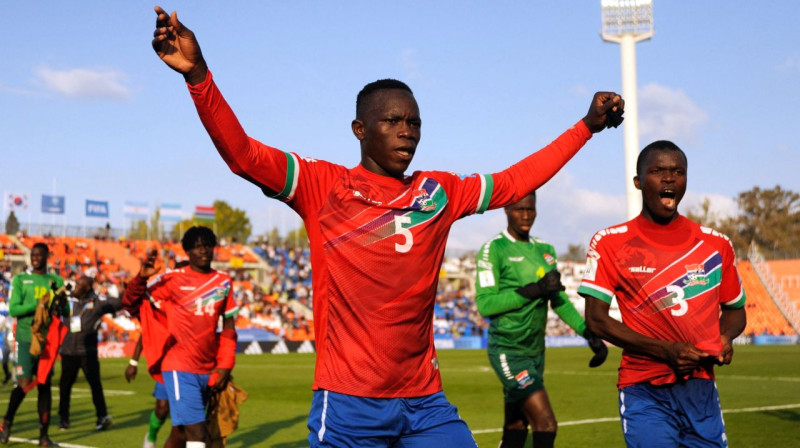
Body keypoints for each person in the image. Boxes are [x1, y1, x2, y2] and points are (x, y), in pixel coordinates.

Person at [150, 6, 623, 446]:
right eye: (392, 120)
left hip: (425, 402)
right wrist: (198, 75)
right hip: (350, 402)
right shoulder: (322, 186)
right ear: (359, 129)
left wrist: (585, 126)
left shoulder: (437, 192)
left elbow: (516, 179)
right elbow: (242, 155)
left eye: (414, 122)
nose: (407, 130)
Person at [578, 141, 747, 447]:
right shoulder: (610, 243)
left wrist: (725, 337)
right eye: (658, 171)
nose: (669, 178)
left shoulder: (715, 245)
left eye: (677, 172)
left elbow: (735, 311)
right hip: (644, 388)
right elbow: (596, 320)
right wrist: (665, 351)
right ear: (638, 182)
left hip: (701, 389)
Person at [475, 192, 608, 448]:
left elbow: (558, 300)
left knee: (516, 427)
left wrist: (588, 332)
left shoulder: (545, 250)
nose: (525, 216)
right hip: (509, 352)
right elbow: (486, 304)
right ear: (506, 210)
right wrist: (534, 289)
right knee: (546, 423)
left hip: (536, 352)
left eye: (530, 209)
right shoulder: (494, 249)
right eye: (519, 209)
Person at [123, 226, 238, 448]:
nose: (203, 250)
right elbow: (130, 305)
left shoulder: (224, 282)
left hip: (208, 368)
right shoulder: (171, 280)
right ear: (187, 251)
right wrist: (139, 280)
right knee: (198, 434)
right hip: (178, 367)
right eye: (196, 246)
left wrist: (225, 365)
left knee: (181, 433)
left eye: (207, 245)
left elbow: (229, 327)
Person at [1, 243, 66, 447]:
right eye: (33, 255)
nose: (36, 258)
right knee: (24, 382)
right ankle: (7, 422)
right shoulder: (21, 280)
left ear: (46, 256)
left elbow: (66, 311)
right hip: (26, 338)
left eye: (39, 254)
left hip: (48, 341)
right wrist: (39, 304)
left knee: (44, 385)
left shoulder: (56, 281)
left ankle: (44, 437)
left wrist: (61, 304)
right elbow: (14, 309)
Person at [57, 276, 120, 431]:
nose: (75, 286)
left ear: (87, 288)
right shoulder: (67, 300)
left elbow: (118, 304)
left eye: (79, 284)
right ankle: (63, 419)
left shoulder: (97, 303)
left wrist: (108, 297)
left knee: (95, 386)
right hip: (68, 351)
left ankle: (101, 417)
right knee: (65, 387)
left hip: (88, 352)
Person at [126, 334, 173, 448]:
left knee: (190, 417)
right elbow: (146, 332)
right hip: (168, 365)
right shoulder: (164, 316)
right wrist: (133, 362)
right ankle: (151, 436)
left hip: (193, 365)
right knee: (162, 409)